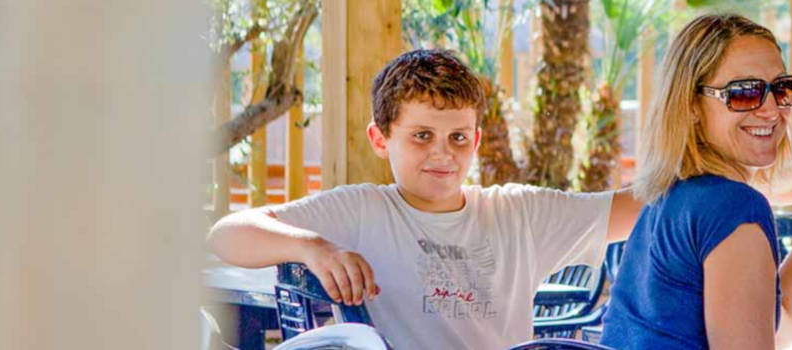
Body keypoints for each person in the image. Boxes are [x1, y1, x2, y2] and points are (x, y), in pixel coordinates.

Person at [207, 49, 646, 350]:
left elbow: (637, 206)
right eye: (422, 136)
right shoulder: (362, 210)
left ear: (475, 140)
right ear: (381, 139)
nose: (443, 153)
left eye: (457, 137)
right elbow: (227, 235)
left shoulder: (519, 213)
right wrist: (312, 247)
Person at [600, 13, 792, 349]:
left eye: (781, 89)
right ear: (692, 105)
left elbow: (777, 323)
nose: (771, 110)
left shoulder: (668, 195)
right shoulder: (731, 206)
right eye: (744, 93)